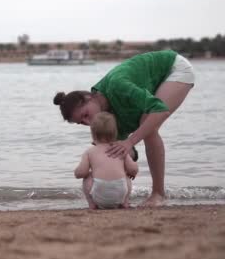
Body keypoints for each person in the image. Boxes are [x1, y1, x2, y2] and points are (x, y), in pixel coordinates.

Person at [53, 49, 195, 206]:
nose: (89, 123)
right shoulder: (105, 118)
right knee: (145, 124)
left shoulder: (118, 85)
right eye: (82, 123)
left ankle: (158, 194)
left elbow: (159, 109)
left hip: (173, 68)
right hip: (150, 83)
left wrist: (130, 142)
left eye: (86, 115)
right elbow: (121, 153)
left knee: (149, 126)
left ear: (89, 97)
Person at [74, 112, 138, 209]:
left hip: (99, 194)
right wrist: (131, 172)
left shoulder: (90, 152)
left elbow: (81, 173)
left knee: (87, 177)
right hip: (120, 193)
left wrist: (77, 172)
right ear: (115, 133)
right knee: (126, 176)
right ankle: (125, 202)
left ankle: (92, 204)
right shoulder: (120, 150)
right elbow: (133, 170)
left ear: (93, 134)